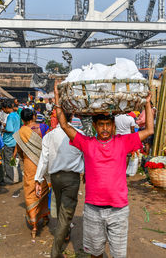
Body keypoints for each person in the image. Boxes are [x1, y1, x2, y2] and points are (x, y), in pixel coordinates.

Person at [54, 84, 154, 258]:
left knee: (119, 255)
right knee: (95, 253)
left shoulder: (123, 142)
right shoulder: (87, 143)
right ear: (95, 125)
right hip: (93, 209)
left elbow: (150, 130)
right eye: (101, 125)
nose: (105, 129)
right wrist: (57, 99)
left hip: (119, 209)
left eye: (108, 124)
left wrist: (147, 103)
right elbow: (63, 125)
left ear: (114, 126)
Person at [35, 113, 84, 258]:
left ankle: (66, 232)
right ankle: (55, 252)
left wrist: (38, 179)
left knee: (62, 208)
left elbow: (43, 159)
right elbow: (85, 156)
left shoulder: (49, 136)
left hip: (56, 178)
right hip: (71, 179)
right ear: (71, 117)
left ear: (56, 118)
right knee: (66, 212)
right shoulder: (79, 134)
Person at [13, 109, 50, 239]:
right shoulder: (44, 127)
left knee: (30, 191)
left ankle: (34, 225)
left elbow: (19, 151)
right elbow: (49, 145)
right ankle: (45, 216)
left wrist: (26, 158)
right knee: (44, 190)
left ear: (22, 120)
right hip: (43, 164)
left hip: (29, 165)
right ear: (34, 116)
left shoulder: (20, 133)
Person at [2, 101, 21, 184]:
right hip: (15, 141)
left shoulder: (10, 116)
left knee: (8, 161)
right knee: (15, 160)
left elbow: (10, 129)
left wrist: (3, 129)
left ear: (6, 108)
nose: (3, 111)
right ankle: (18, 176)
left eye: (3, 109)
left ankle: (11, 178)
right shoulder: (16, 115)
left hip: (9, 142)